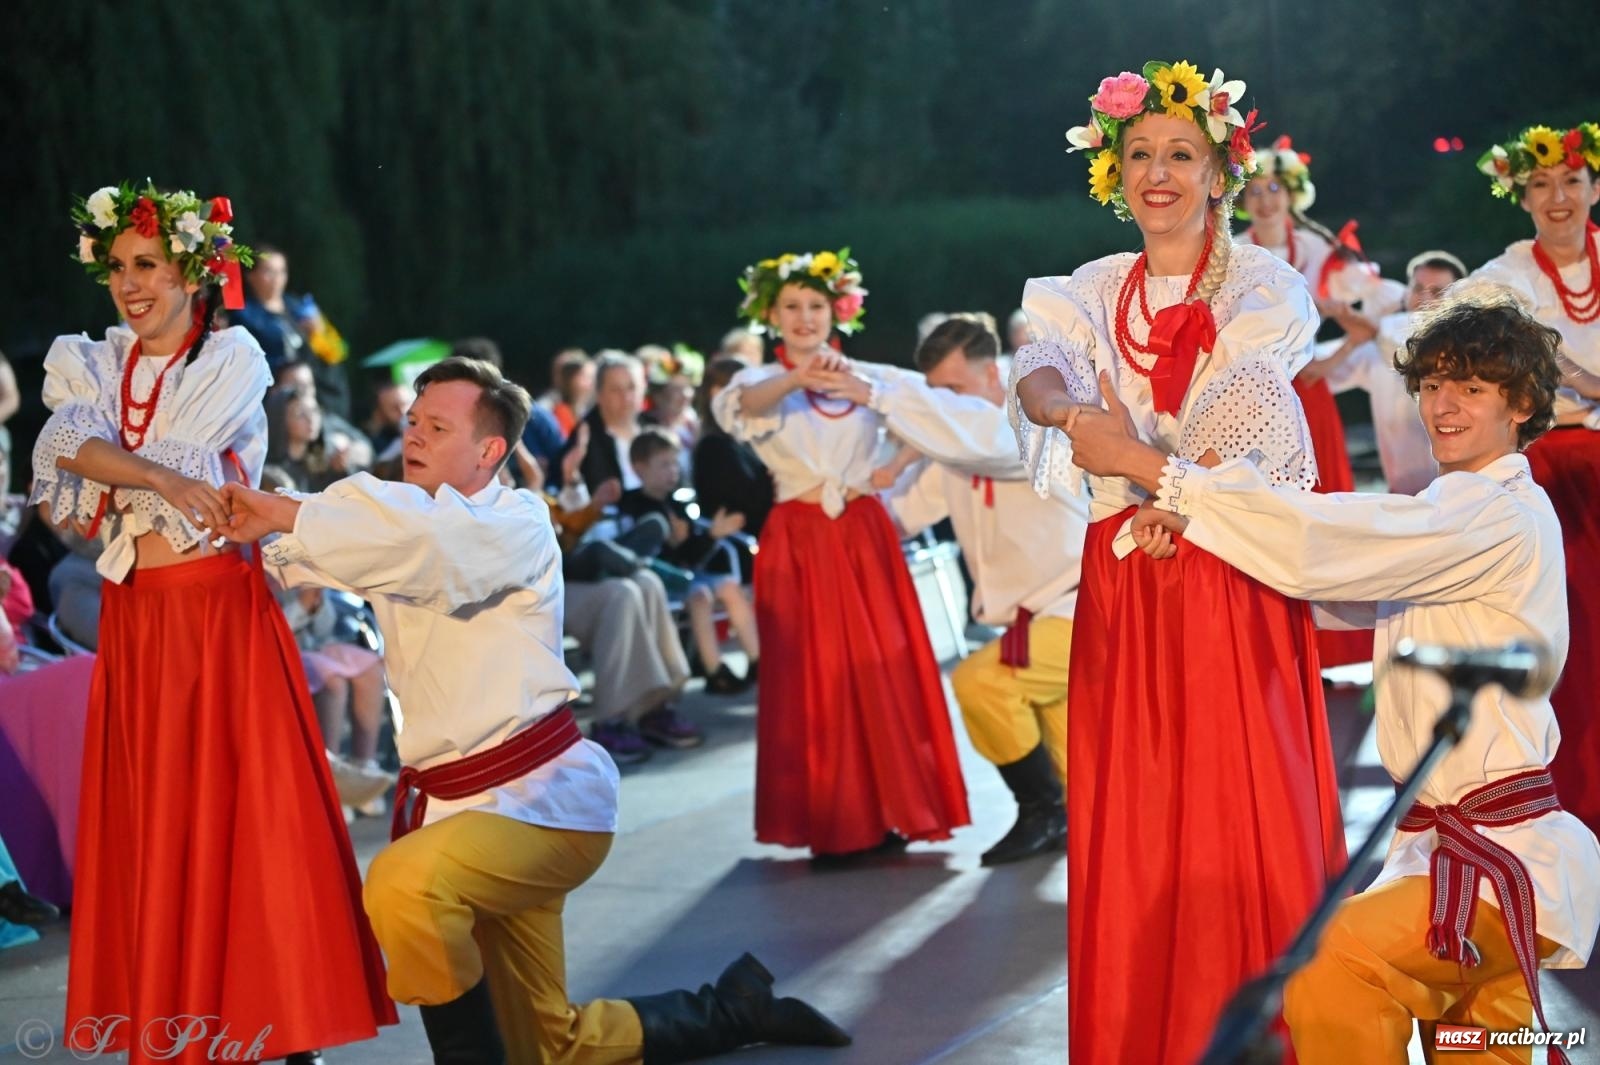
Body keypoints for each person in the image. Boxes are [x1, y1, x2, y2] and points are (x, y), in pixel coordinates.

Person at [221, 356, 850, 1065]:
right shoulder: (388, 521)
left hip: (541, 805)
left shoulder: (514, 520)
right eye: (412, 420)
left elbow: (426, 544)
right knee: (549, 1043)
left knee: (402, 881)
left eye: (436, 424)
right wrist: (199, 509)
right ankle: (734, 1010)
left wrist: (279, 509)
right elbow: (296, 551)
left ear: (491, 451)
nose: (414, 433)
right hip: (457, 812)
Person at [1070, 290, 1600, 1065]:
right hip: (1445, 851)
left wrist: (1151, 469)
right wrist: (1205, 535)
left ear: (1520, 403)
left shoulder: (1497, 514)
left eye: (1472, 388)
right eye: (1431, 385)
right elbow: (1333, 579)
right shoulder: (1452, 512)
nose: (1442, 404)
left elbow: (1325, 542)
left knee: (1327, 959)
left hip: (1499, 855)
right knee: (1479, 1052)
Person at [1011, 63, 1346, 1064]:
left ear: (1216, 173)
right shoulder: (1087, 290)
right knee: (1142, 795)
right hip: (1127, 567)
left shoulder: (1262, 283)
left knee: (1239, 784)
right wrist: (1076, 419)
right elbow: (1037, 372)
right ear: (1113, 173)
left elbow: (1248, 389)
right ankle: (1142, 1027)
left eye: (1181, 154)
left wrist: (1169, 483)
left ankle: (1267, 1020)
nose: (1159, 172)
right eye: (1141, 154)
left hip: (1223, 557)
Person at [29, 182, 394, 1062]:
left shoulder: (232, 363)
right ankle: (179, 1017)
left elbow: (159, 463)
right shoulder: (92, 362)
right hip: (138, 619)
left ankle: (273, 1026)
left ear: (194, 271)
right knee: (158, 826)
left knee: (244, 823)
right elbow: (66, 456)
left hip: (216, 619)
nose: (129, 283)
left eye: (147, 263)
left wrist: (131, 470)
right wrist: (147, 477)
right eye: (116, 266)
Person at [714, 249, 970, 864]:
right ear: (771, 315)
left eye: (816, 306)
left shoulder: (869, 377)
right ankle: (833, 820)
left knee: (881, 669)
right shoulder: (757, 383)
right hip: (799, 542)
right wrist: (799, 379)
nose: (805, 318)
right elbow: (743, 409)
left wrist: (892, 467)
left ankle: (894, 810)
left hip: (862, 536)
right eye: (792, 307)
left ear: (839, 311)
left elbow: (938, 411)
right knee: (814, 675)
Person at [839, 316, 1087, 864]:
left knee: (982, 683)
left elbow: (983, 442)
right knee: (1089, 786)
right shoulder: (958, 453)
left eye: (954, 389)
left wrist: (881, 395)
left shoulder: (1029, 422)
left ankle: (1041, 813)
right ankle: (1068, 820)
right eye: (938, 394)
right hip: (1031, 623)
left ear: (994, 375)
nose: (945, 404)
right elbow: (898, 516)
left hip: (1082, 610)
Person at [1470, 120, 1600, 839]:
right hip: (1552, 472)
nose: (1558, 198)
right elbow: (1453, 317)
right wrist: (1569, 373)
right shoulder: (1508, 273)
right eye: (1541, 184)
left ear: (1594, 187)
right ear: (1521, 196)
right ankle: (1574, 800)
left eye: (1571, 181)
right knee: (1571, 636)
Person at [620, 427, 760, 696]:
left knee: (730, 587)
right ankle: (714, 669)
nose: (672, 471)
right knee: (700, 596)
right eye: (664, 465)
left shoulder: (679, 504)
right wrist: (671, 545)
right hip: (659, 579)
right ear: (639, 468)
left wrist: (709, 536)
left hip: (687, 574)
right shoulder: (634, 506)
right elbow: (642, 555)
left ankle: (757, 659)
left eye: (675, 463)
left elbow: (691, 557)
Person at [235, 244, 353, 416]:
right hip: (276, 387)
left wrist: (318, 333)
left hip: (315, 381)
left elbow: (336, 350)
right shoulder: (244, 315)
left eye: (281, 272)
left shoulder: (299, 307)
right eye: (269, 272)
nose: (277, 279)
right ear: (251, 275)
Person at [692, 357, 775, 541]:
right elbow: (746, 503)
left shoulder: (747, 441)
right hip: (741, 547)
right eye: (744, 390)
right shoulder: (713, 448)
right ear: (717, 394)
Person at [561, 351, 646, 491]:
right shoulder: (583, 440)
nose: (626, 397)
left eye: (632, 387)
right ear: (599, 394)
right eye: (616, 390)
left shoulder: (655, 429)